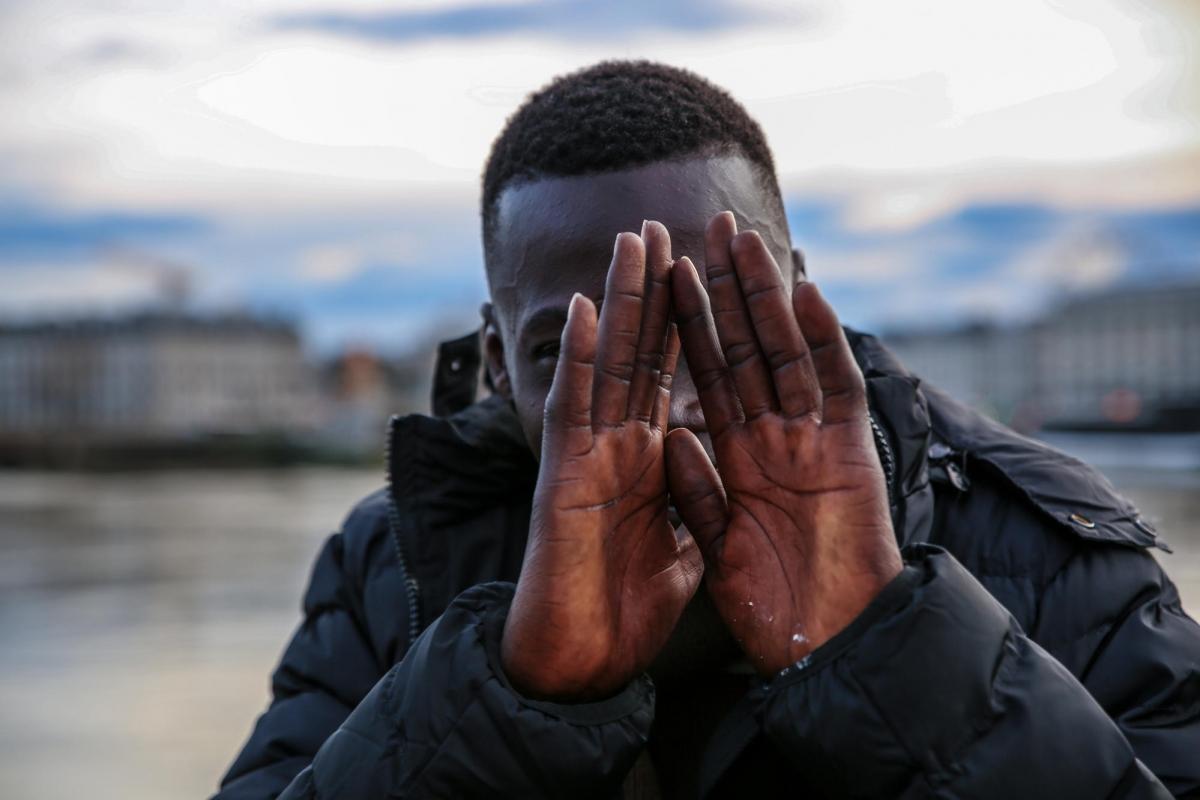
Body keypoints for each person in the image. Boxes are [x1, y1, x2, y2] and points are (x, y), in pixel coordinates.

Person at [214, 61, 1200, 799]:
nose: (668, 405)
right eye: (577, 350)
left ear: (797, 295)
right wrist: (513, 691)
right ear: (497, 358)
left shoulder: (1055, 546)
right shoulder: (386, 560)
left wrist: (889, 646)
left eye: (714, 325)